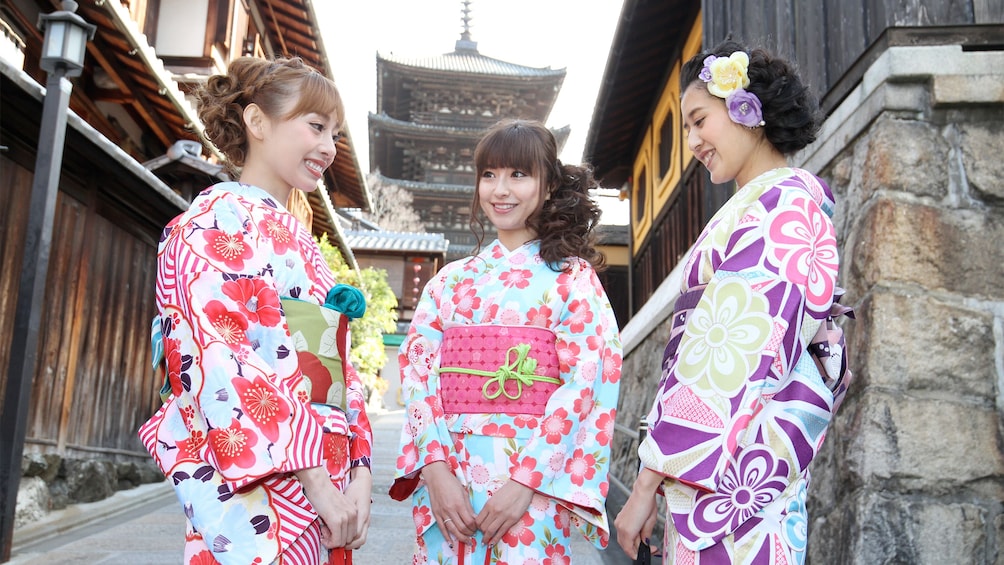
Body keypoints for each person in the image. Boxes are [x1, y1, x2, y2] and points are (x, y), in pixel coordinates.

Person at [614, 40, 853, 564]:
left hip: (733, 484)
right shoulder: (765, 205)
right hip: (725, 478)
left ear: (747, 108)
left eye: (700, 120)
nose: (694, 141)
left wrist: (643, 488)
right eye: (687, 129)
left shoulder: (783, 208)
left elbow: (723, 361)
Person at [138, 57, 373, 565]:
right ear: (257, 122)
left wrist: (359, 472)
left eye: (335, 133)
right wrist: (313, 478)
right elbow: (219, 356)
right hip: (265, 482)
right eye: (315, 127)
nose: (330, 148)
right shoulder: (211, 224)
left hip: (324, 473)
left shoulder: (303, 243)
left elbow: (339, 371)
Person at [390, 119, 623, 564]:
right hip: (450, 476)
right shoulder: (449, 282)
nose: (501, 189)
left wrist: (525, 484)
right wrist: (436, 473)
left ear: (549, 183)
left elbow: (589, 380)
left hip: (531, 484)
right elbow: (418, 373)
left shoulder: (573, 280)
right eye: (489, 174)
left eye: (519, 174)